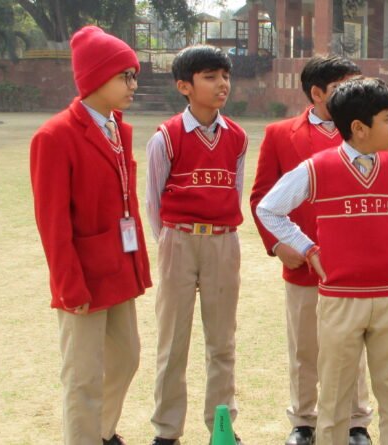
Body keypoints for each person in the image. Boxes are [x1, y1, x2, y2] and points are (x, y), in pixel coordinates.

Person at [256, 77, 388, 445]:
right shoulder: (318, 167)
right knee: (334, 399)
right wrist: (307, 248)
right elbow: (269, 208)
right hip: (339, 300)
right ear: (359, 128)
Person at [29, 25, 151, 445]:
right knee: (82, 377)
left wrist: (137, 265)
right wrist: (68, 284)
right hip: (82, 274)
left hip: (118, 267)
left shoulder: (118, 128)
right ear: (96, 77)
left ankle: (100, 432)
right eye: (125, 76)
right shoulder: (54, 136)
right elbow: (52, 222)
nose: (133, 84)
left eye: (134, 75)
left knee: (126, 358)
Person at [249, 54, 376, 445]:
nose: (352, 93)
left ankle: (356, 422)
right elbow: (261, 196)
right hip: (303, 261)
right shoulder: (279, 134)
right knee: (305, 346)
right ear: (317, 93)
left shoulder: (366, 133)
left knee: (352, 345)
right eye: (341, 87)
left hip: (353, 265)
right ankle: (304, 421)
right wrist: (278, 244)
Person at [145, 44, 248, 445]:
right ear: (184, 86)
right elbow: (154, 201)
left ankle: (220, 427)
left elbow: (234, 192)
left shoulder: (237, 137)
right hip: (179, 240)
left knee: (222, 342)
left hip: (223, 242)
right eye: (210, 77)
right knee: (173, 342)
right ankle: (167, 430)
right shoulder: (166, 138)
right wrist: (171, 240)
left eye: (225, 76)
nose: (222, 84)